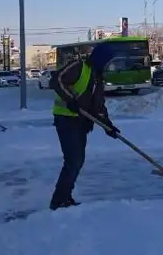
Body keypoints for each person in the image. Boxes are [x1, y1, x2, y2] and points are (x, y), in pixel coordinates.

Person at [49, 44, 121, 211]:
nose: (109, 64)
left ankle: (64, 197)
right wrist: (70, 100)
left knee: (77, 161)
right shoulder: (79, 67)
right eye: (107, 61)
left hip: (82, 122)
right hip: (66, 119)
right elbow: (56, 81)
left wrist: (108, 126)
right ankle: (59, 201)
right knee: (73, 161)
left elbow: (99, 106)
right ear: (100, 59)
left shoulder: (98, 77)